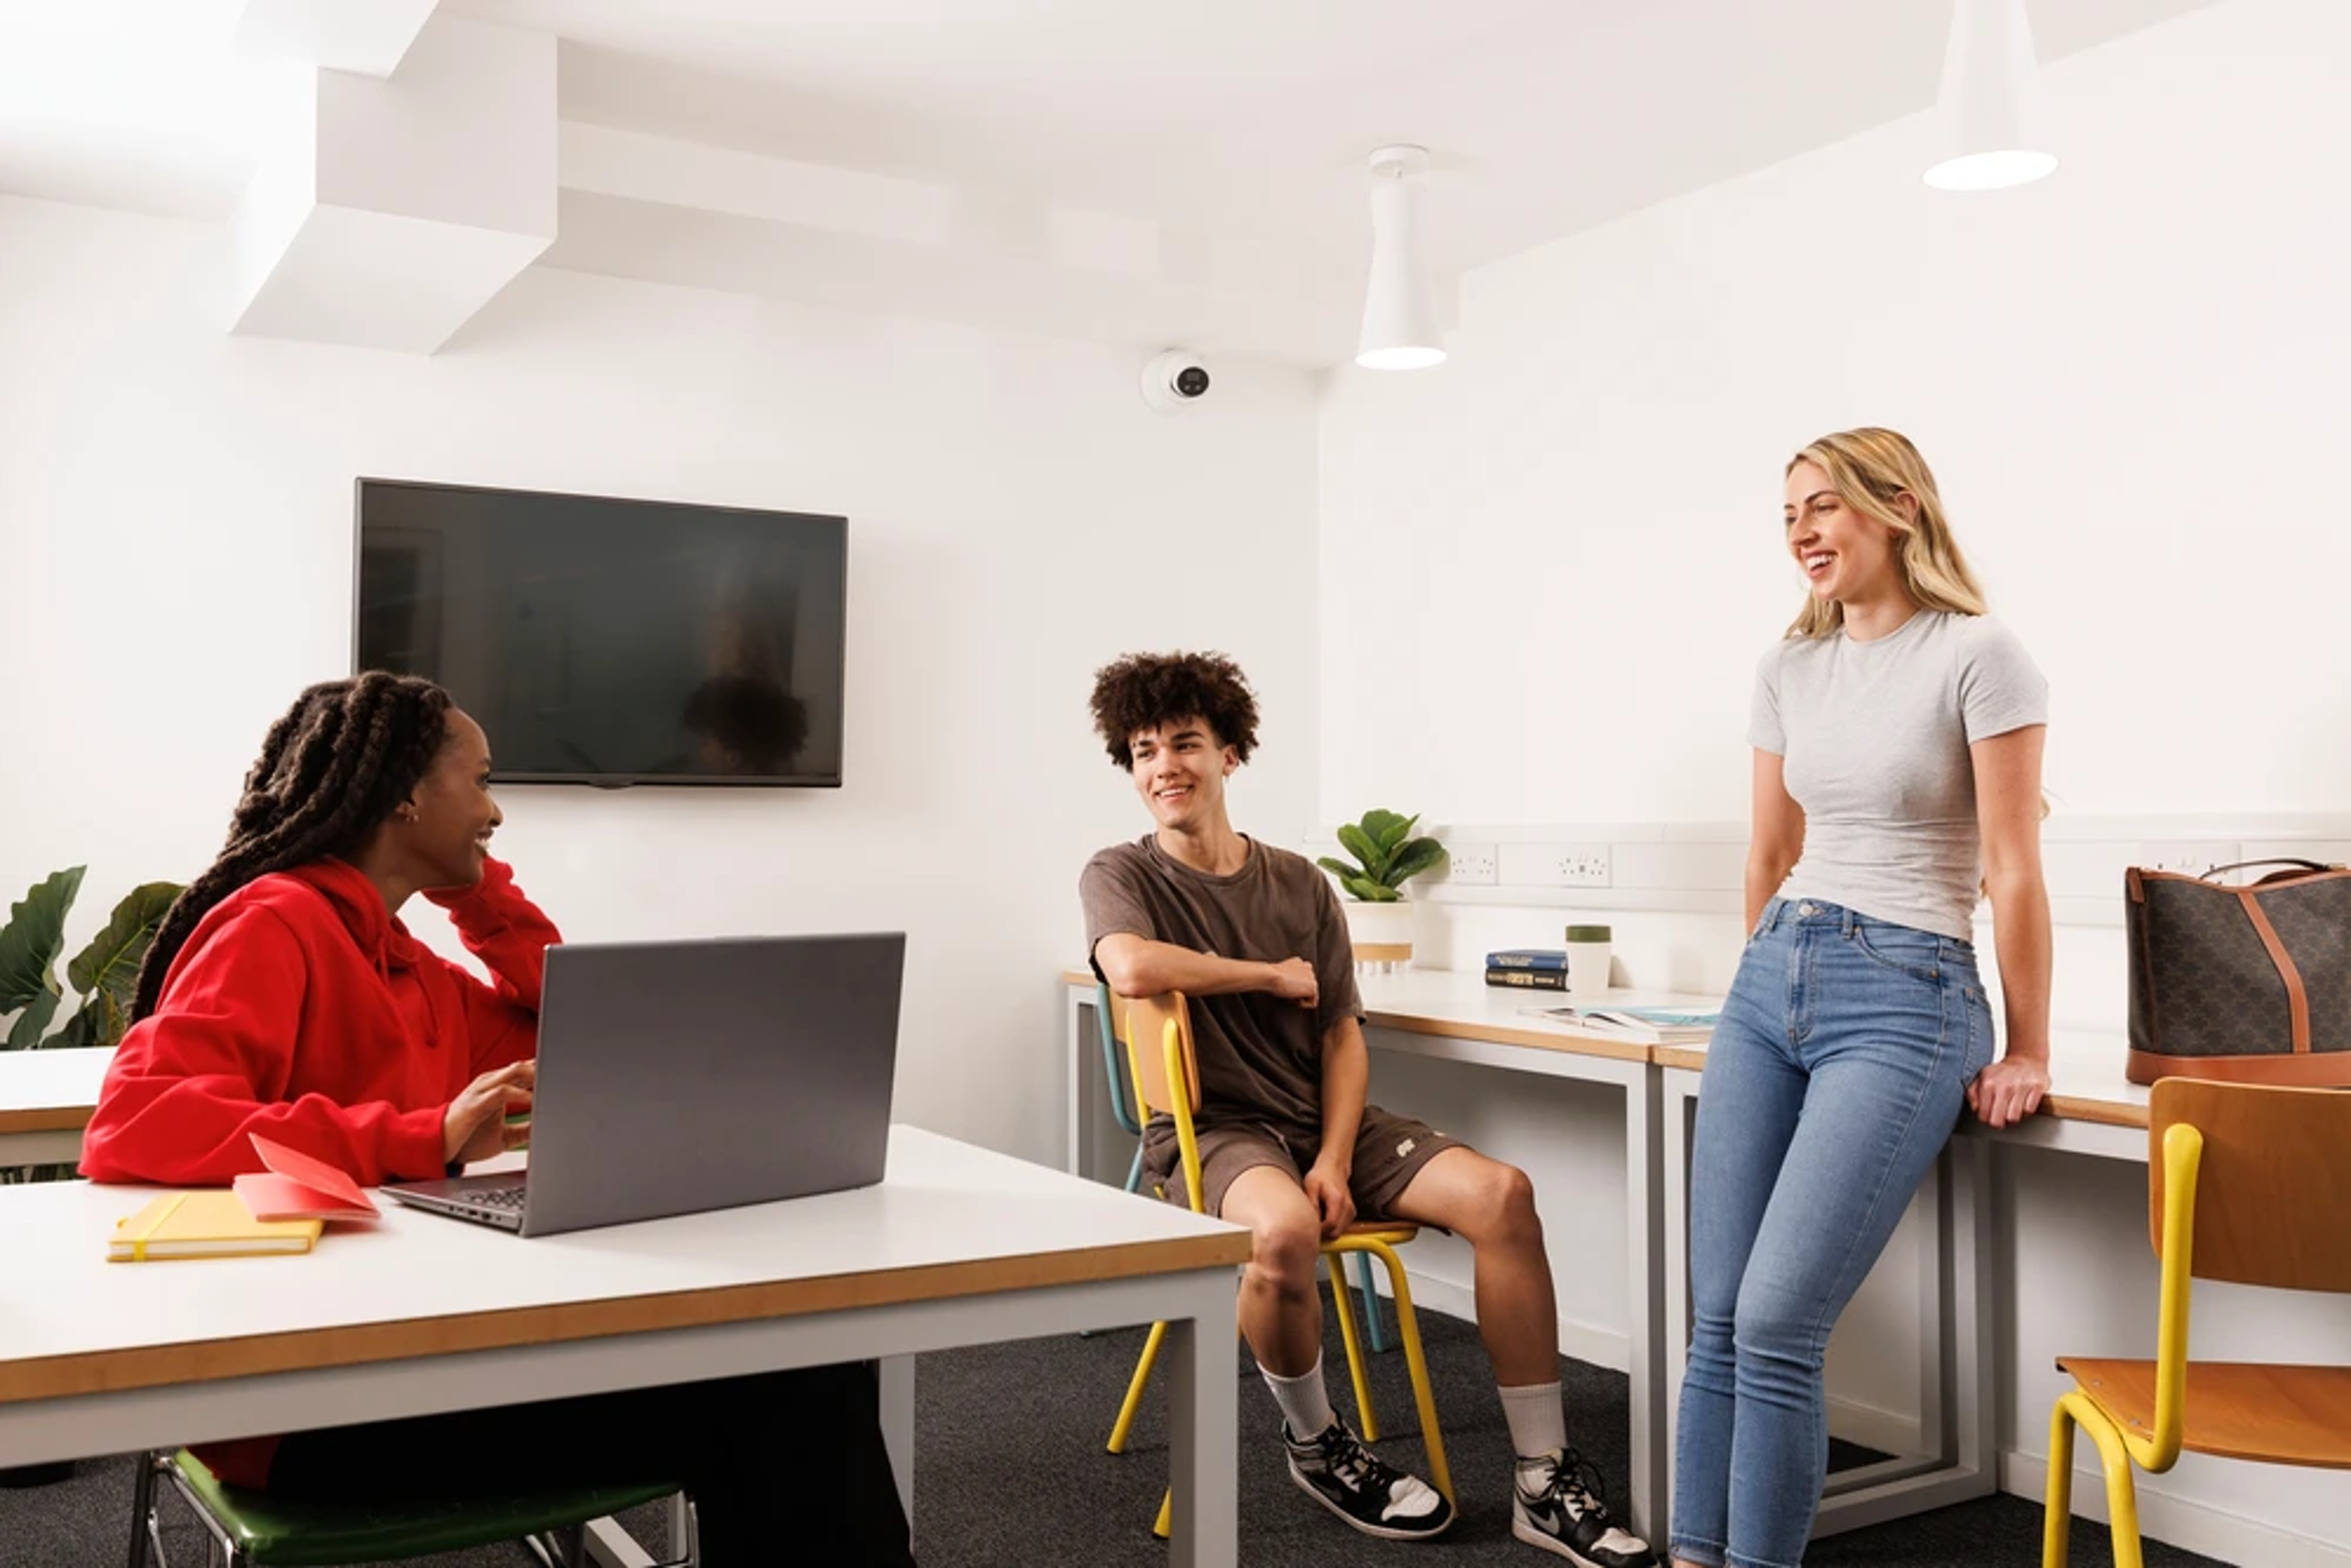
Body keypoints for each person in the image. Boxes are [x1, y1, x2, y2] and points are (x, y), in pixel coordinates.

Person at [78, 671, 913, 1567]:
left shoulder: (405, 963)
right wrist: (420, 1135)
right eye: (479, 781)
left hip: (416, 1349)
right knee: (783, 1387)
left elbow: (576, 1032)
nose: (497, 811)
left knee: (793, 1365)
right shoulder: (272, 923)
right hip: (303, 1403)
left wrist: (474, 896)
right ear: (403, 793)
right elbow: (135, 1120)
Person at [1081, 651, 1655, 1567]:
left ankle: (1544, 1480)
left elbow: (1343, 1033)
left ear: (1231, 752)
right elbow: (1133, 967)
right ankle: (1318, 1444)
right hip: (1212, 1132)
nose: (1163, 768)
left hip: (1316, 1121)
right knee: (1281, 1235)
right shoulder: (1121, 871)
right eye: (1144, 750)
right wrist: (1269, 976)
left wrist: (1336, 1157)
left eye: (1185, 742)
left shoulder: (1302, 883)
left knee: (1503, 1193)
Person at [1668, 429, 2050, 1568]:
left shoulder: (1980, 653)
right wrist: (1757, 976)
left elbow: (2015, 864)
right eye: (1788, 512)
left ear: (1898, 508)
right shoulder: (1789, 668)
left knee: (1781, 1319)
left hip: (1909, 990)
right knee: (1720, 1317)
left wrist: (2026, 1044)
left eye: (1824, 505)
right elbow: (1769, 848)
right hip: (1771, 978)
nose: (1801, 530)